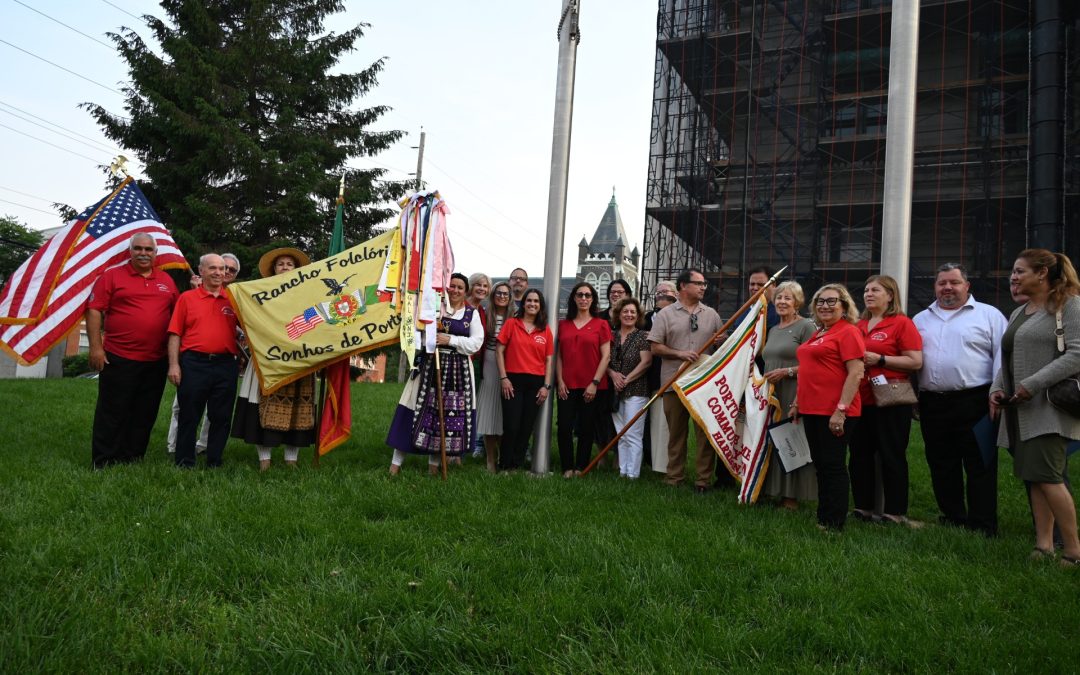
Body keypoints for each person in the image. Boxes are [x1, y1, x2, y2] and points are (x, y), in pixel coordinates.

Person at [990, 249, 1080, 565]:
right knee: (1036, 476)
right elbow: (1009, 357)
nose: (1013, 277)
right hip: (1021, 409)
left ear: (1041, 273)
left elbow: (1077, 355)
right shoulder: (1020, 311)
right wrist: (997, 388)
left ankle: (1073, 551)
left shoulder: (1070, 305)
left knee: (1049, 477)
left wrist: (1033, 384)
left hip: (1050, 408)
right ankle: (1044, 545)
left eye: (1019, 271)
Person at [913, 263, 1007, 536]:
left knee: (980, 463)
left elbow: (1002, 356)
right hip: (933, 402)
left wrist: (997, 391)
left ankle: (983, 523)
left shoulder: (989, 315)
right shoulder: (920, 319)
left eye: (954, 282)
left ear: (967, 286)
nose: (947, 288)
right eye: (942, 283)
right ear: (935, 287)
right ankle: (953, 516)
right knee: (941, 462)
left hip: (976, 400)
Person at [86, 233, 179, 469]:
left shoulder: (166, 280)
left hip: (156, 359)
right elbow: (94, 310)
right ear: (130, 251)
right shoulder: (112, 276)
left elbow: (178, 315)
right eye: (138, 248)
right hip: (119, 357)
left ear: (155, 253)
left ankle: (133, 457)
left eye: (148, 249)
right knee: (113, 410)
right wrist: (96, 347)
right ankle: (104, 460)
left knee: (145, 412)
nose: (143, 253)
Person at [387, 272, 484, 474]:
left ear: (465, 292)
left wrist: (450, 340)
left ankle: (433, 467)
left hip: (458, 371)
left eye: (460, 287)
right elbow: (417, 332)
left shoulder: (471, 314)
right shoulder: (433, 308)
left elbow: (476, 343)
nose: (455, 290)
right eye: (452, 286)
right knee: (412, 408)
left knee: (446, 417)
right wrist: (429, 338)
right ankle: (395, 466)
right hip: (429, 364)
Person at [849, 275, 924, 526]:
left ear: (890, 295)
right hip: (861, 399)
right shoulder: (858, 325)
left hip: (891, 400)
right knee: (859, 455)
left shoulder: (902, 323)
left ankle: (894, 512)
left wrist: (880, 359)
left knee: (892, 455)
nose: (868, 294)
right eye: (866, 290)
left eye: (876, 290)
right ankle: (863, 507)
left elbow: (915, 361)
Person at [231, 248, 315, 471]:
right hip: (267, 357)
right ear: (274, 269)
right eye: (281, 264)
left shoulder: (307, 295)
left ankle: (291, 459)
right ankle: (264, 459)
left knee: (299, 407)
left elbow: (314, 320)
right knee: (262, 404)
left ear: (296, 269)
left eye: (289, 264)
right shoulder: (259, 294)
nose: (285, 267)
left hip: (298, 358)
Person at [792, 284, 864, 530]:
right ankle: (824, 516)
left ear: (844, 306)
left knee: (832, 466)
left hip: (835, 411)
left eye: (832, 301)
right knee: (821, 465)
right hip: (812, 409)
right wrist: (797, 402)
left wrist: (841, 410)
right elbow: (809, 370)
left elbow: (856, 373)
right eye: (820, 301)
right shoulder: (820, 332)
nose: (825, 306)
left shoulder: (848, 332)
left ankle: (833, 523)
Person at [648, 269, 722, 491]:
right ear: (683, 286)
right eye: (698, 283)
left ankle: (703, 481)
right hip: (674, 382)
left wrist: (721, 342)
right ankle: (674, 478)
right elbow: (655, 347)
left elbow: (722, 345)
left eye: (704, 284)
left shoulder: (712, 314)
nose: (703, 287)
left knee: (704, 433)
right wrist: (679, 354)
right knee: (676, 433)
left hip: (703, 384)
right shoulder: (665, 314)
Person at [167, 253, 241, 468]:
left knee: (221, 416)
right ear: (201, 271)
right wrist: (174, 365)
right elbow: (175, 333)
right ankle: (184, 461)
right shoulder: (187, 298)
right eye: (213, 268)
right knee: (189, 414)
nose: (219, 273)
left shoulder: (234, 300)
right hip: (194, 363)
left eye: (222, 269)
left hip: (226, 364)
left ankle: (214, 461)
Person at [760, 281, 817, 509]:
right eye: (779, 298)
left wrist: (787, 372)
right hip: (772, 394)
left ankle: (791, 496)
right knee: (773, 441)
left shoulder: (806, 326)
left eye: (788, 298)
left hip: (794, 391)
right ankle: (772, 489)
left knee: (791, 440)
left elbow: (816, 364)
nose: (782, 302)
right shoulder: (773, 329)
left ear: (797, 302)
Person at [555, 282, 612, 477]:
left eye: (588, 295)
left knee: (586, 428)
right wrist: (560, 381)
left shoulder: (601, 324)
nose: (584, 298)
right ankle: (567, 467)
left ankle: (581, 467)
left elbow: (606, 356)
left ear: (593, 299)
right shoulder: (563, 325)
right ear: (574, 298)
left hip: (592, 386)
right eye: (580, 295)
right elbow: (559, 356)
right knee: (564, 427)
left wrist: (594, 383)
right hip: (566, 385)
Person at [496, 288, 554, 471]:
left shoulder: (545, 330)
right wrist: (504, 378)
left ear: (540, 306)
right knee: (511, 426)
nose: (532, 304)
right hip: (512, 381)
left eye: (536, 301)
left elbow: (549, 360)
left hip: (536, 383)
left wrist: (546, 386)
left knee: (526, 427)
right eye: (529, 300)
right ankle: (504, 465)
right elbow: (499, 351)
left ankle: (516, 464)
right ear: (524, 303)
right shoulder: (512, 324)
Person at [608, 297, 653, 478]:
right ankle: (623, 472)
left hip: (637, 390)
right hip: (615, 391)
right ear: (618, 314)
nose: (629, 315)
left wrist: (626, 380)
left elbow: (646, 362)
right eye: (625, 311)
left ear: (638, 315)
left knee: (633, 433)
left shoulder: (643, 336)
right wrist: (613, 375)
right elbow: (603, 360)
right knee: (621, 433)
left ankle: (633, 474)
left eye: (633, 312)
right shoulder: (611, 336)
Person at [476, 281, 513, 472]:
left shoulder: (515, 316)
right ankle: (490, 459)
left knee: (504, 413)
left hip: (510, 364)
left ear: (510, 297)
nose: (502, 296)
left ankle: (503, 456)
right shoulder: (484, 313)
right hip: (489, 363)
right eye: (499, 293)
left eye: (506, 294)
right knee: (489, 412)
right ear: (493, 295)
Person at [644, 281, 678, 473]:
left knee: (664, 424)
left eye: (666, 291)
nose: (661, 294)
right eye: (658, 291)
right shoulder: (646, 318)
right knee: (649, 423)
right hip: (645, 376)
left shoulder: (679, 318)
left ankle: (664, 466)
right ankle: (649, 460)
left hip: (668, 376)